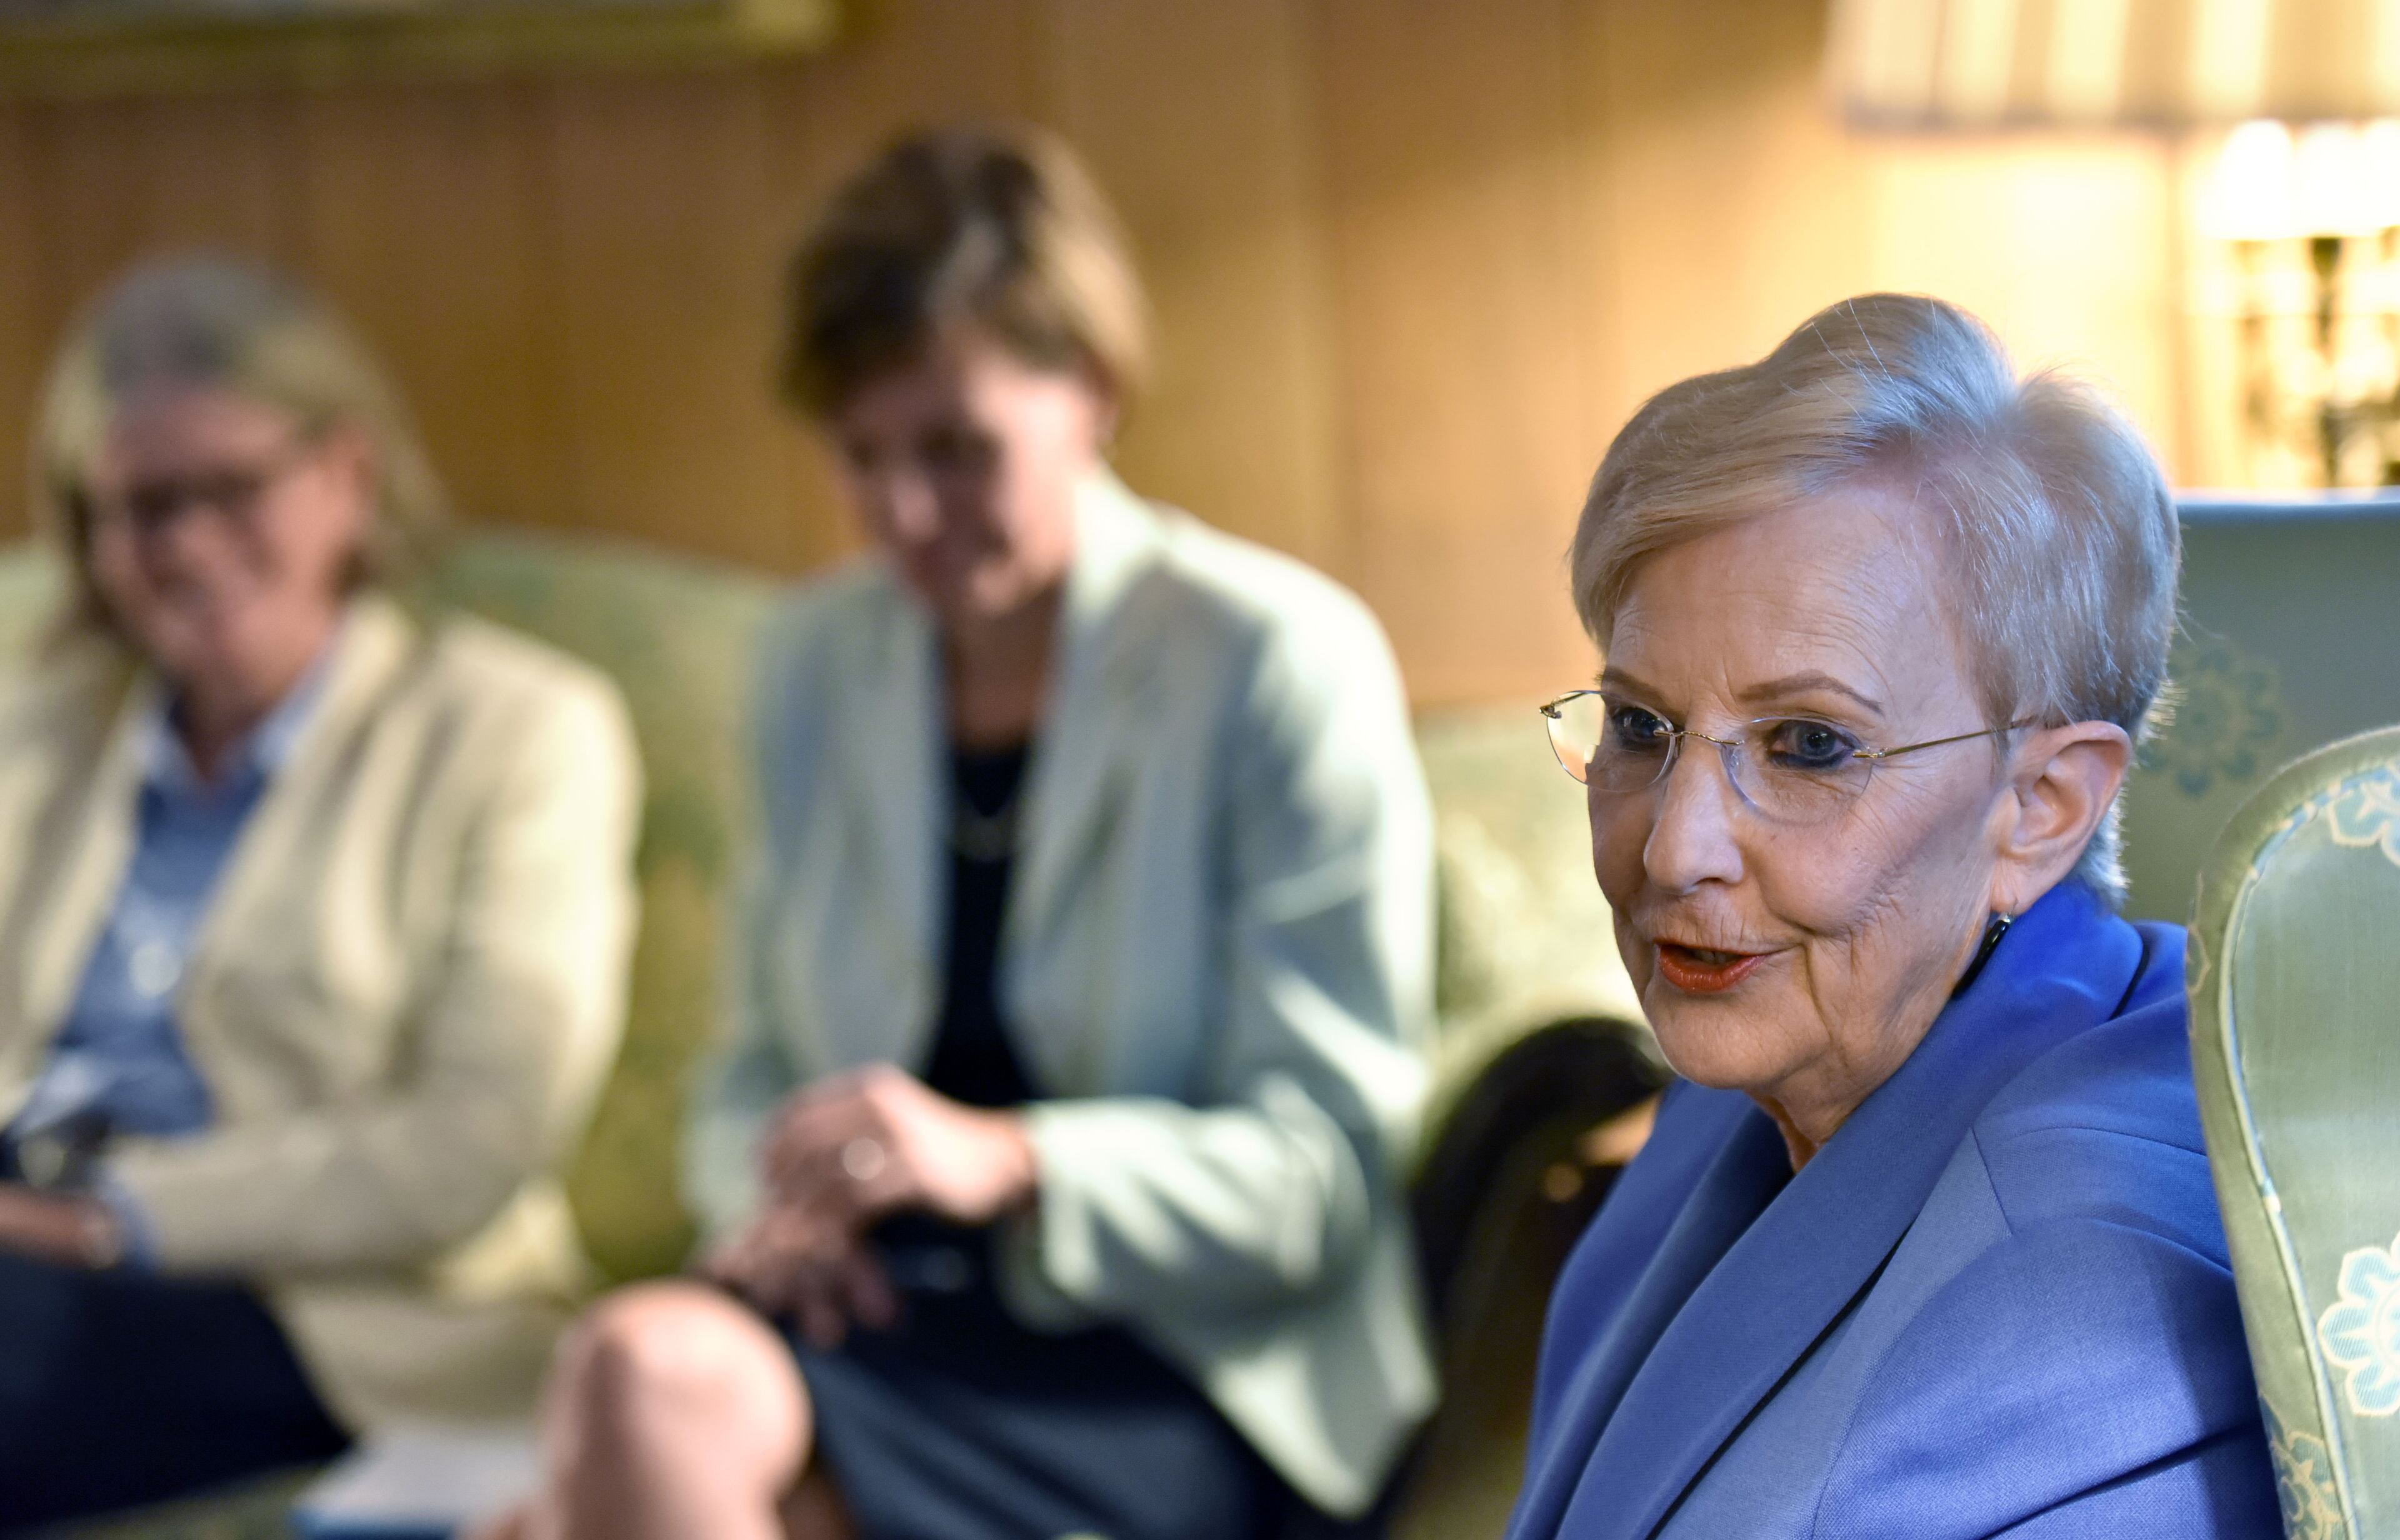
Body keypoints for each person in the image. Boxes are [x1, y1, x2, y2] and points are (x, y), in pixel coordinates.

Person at [497, 124, 1437, 1540]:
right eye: (862, 456)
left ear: (1095, 391)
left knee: (609, 1456)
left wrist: (1007, 1158)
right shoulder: (816, 657)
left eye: (956, 447)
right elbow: (751, 1062)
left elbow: (1324, 1176)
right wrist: (778, 1212)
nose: (905, 514)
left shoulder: (1275, 657)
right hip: (874, 1305)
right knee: (633, 1382)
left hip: (1174, 1361)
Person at [1507, 294, 2279, 1538]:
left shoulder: (2081, 1288)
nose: (1673, 846)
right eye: (1641, 726)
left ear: (2041, 805)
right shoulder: (1735, 1096)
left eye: (1809, 744)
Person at [0, 258, 642, 1529]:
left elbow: (473, 1135)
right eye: (140, 507)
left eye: (230, 489)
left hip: (315, 1298)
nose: (184, 546)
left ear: (348, 474)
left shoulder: (514, 731)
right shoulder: (41, 729)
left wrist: (107, 1220)